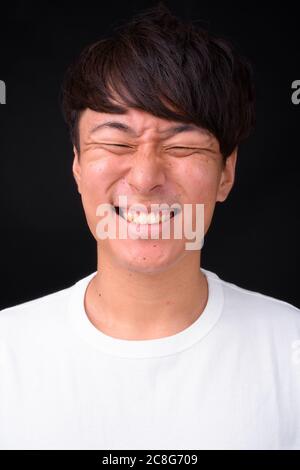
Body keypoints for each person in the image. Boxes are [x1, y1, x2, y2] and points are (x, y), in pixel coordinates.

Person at [0, 3, 299, 450]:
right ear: (78, 165)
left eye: (181, 146)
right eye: (117, 141)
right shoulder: (9, 353)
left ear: (226, 173)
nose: (145, 177)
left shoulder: (290, 351)